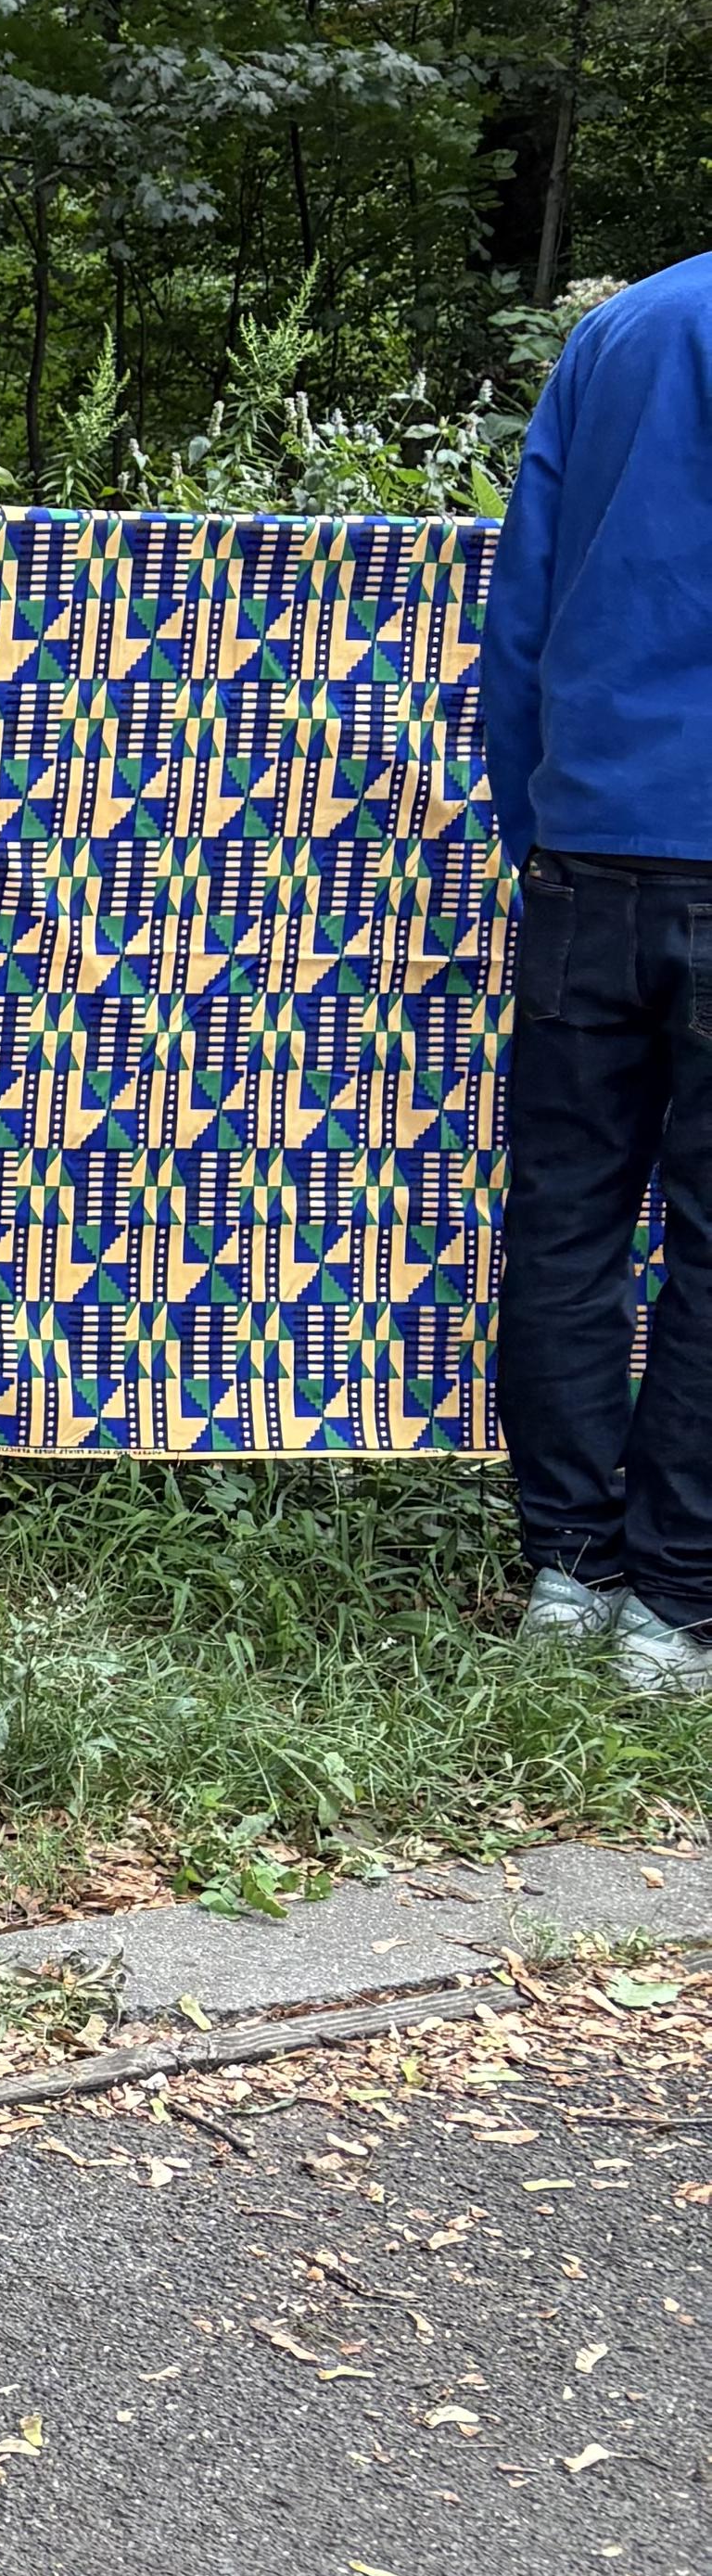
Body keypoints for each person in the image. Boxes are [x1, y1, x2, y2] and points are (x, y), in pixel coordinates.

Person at [480, 248, 712, 1696]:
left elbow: (522, 609)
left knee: (566, 1220)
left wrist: (545, 827)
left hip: (590, 849)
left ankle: (571, 1576)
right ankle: (673, 1608)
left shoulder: (622, 331)